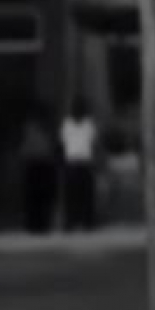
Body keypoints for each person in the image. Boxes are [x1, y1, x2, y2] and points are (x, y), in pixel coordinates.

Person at [60, 97, 98, 231]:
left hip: (79, 162)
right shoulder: (81, 124)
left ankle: (80, 221)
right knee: (78, 195)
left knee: (79, 195)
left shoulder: (71, 124)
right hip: (77, 162)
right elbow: (93, 143)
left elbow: (64, 142)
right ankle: (78, 221)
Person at [19, 101, 57, 233]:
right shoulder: (45, 127)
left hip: (36, 163)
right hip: (41, 163)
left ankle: (36, 223)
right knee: (41, 196)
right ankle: (40, 223)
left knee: (35, 196)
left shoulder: (31, 127)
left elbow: (25, 145)